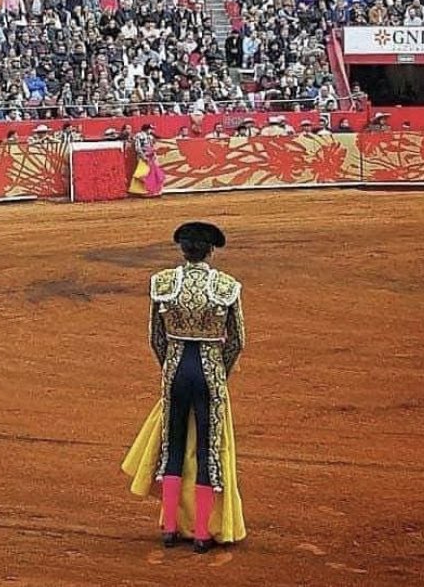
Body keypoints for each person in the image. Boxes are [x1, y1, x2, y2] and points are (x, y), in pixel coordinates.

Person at [122, 222, 246, 551]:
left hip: (176, 370)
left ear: (183, 250)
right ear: (211, 251)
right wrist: (219, 372)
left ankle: (170, 529)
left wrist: (169, 367)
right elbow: (237, 342)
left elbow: (155, 338)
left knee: (173, 446)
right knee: (207, 449)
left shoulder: (163, 283)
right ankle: (203, 534)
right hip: (208, 370)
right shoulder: (226, 285)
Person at [129, 124, 165, 196]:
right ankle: (142, 191)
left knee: (152, 174)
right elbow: (138, 148)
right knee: (144, 174)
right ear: (147, 129)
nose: (151, 131)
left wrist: (154, 155)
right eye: (150, 129)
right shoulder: (139, 135)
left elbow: (152, 147)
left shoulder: (150, 137)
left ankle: (152, 190)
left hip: (151, 157)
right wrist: (143, 157)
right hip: (144, 157)